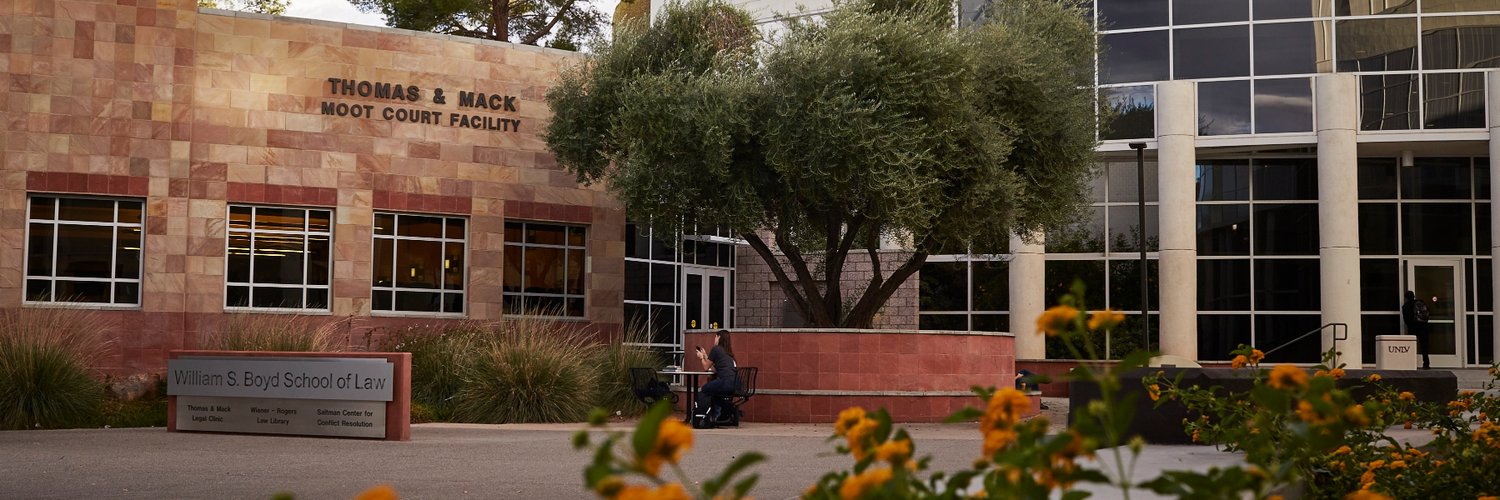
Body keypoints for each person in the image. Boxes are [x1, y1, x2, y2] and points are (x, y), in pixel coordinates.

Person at [694, 329, 738, 424]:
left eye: (715, 336)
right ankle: (724, 412)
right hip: (735, 383)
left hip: (725, 382)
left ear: (719, 337)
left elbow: (706, 367)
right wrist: (706, 356)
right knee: (714, 393)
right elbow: (715, 366)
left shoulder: (716, 349)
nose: (714, 339)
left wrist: (701, 358)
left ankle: (703, 416)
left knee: (705, 389)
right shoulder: (728, 352)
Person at [1401, 290, 1431, 369]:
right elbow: (1427, 313)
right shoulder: (1421, 302)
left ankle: (1411, 364)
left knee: (1412, 346)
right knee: (1424, 346)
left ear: (1406, 298)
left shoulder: (1406, 306)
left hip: (1413, 328)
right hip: (1423, 327)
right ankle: (1426, 364)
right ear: (1414, 296)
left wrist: (1410, 325)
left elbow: (1406, 319)